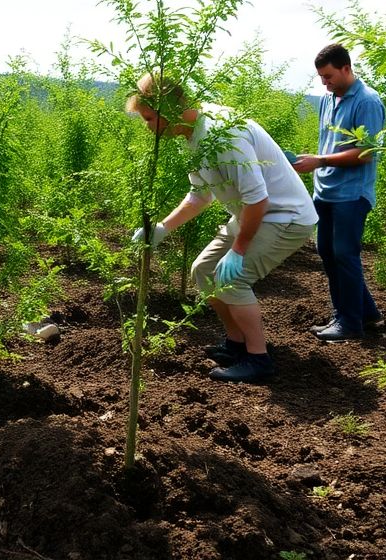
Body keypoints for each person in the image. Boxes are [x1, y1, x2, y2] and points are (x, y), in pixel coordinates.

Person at [128, 74, 317, 383]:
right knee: (203, 270)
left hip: (284, 216)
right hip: (252, 214)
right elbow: (200, 196)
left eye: (149, 118)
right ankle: (236, 342)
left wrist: (239, 249)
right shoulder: (191, 138)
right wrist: (161, 228)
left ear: (169, 109)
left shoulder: (221, 133)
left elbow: (259, 199)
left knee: (233, 279)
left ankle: (258, 360)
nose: (148, 127)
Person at [293, 43, 386, 342]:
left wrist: (319, 161)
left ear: (346, 68)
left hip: (351, 194)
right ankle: (366, 313)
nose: (325, 82)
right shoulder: (328, 99)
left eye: (329, 75)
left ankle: (349, 323)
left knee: (345, 254)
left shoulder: (368, 102)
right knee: (329, 253)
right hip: (325, 192)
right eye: (321, 77)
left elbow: (367, 152)